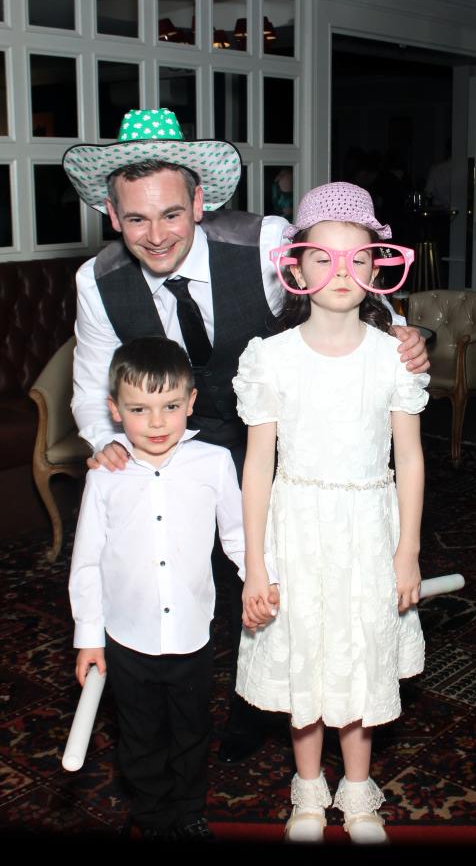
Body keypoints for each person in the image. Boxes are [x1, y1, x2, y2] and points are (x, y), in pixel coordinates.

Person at [63, 107, 429, 764]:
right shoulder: (97, 281)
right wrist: (103, 439)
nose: (156, 235)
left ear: (199, 202)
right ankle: (176, 691)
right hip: (172, 434)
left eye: (171, 213)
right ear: (111, 216)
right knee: (175, 560)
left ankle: (256, 705)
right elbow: (93, 380)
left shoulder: (263, 241)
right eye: (137, 219)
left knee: (269, 564)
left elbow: (341, 271)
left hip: (269, 428)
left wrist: (397, 332)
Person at [232, 182, 427, 844]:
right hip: (297, 532)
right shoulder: (270, 358)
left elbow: (410, 458)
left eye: (356, 258)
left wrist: (408, 552)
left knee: (360, 656)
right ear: (296, 267)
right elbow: (258, 465)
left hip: (369, 532)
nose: (341, 272)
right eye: (323, 258)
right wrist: (256, 564)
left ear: (376, 267)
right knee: (306, 657)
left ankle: (359, 794)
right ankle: (309, 792)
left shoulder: (393, 355)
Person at [68, 336, 277, 840]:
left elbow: (237, 534)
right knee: (139, 735)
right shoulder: (104, 477)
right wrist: (89, 637)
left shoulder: (213, 462)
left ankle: (189, 810)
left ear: (191, 402)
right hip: (127, 636)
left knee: (191, 729)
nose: (156, 422)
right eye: (139, 409)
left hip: (191, 634)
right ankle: (154, 817)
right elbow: (87, 562)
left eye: (170, 406)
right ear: (115, 410)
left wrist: (261, 579)